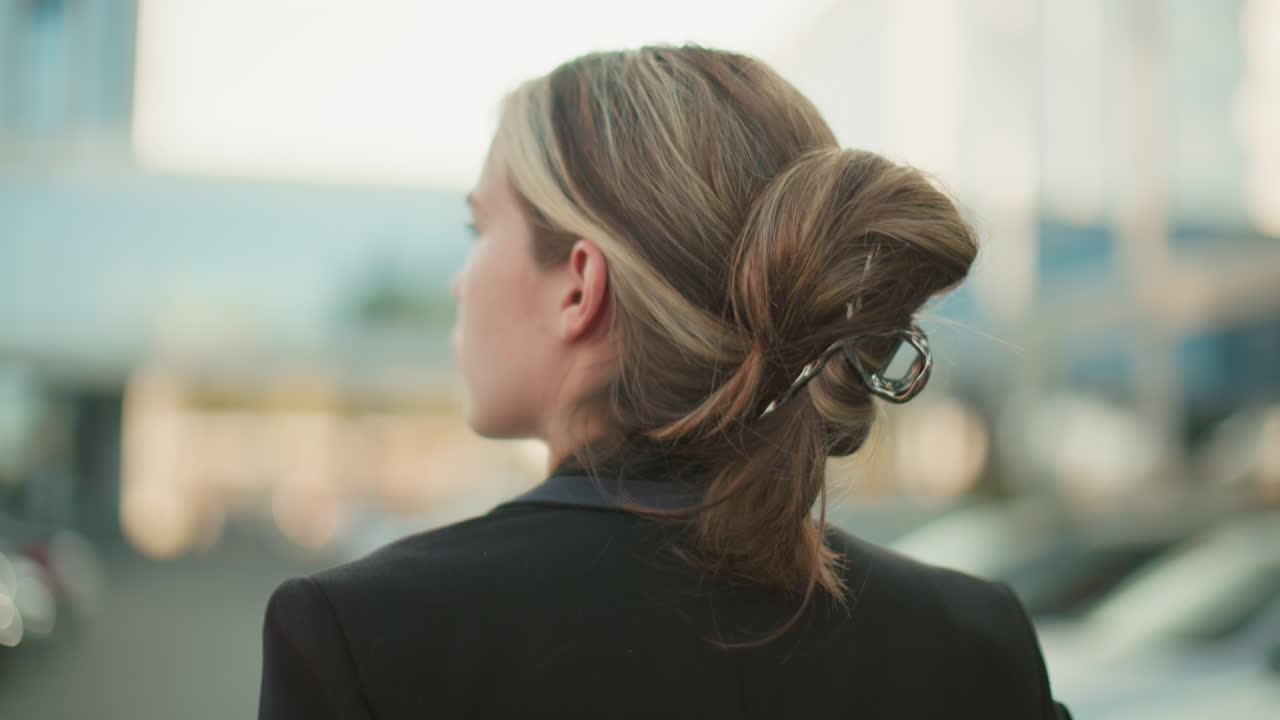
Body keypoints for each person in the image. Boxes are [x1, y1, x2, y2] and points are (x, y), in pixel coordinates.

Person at [257, 43, 1073, 719]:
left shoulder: (366, 634)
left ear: (579, 286)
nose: (458, 281)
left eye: (479, 227)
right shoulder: (970, 640)